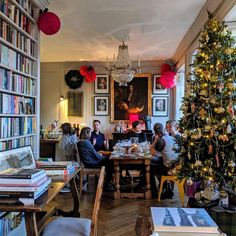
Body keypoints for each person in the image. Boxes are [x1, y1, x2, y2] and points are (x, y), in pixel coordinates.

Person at [149, 123, 179, 198]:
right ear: (164, 129)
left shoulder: (161, 141)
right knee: (155, 164)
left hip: (168, 166)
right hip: (176, 164)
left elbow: (151, 152)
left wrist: (155, 141)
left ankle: (155, 191)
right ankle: (165, 186)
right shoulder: (170, 137)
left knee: (149, 168)